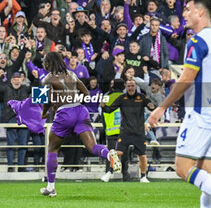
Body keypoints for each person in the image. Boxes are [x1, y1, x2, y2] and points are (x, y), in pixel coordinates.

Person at [148, 0, 211, 208]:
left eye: (188, 9)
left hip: (200, 110)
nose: (184, 14)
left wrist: (161, 107)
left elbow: (187, 78)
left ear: (201, 12)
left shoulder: (197, 41)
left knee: (182, 167)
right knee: (207, 171)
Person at [40, 52, 121, 197]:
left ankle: (51, 187)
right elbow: (87, 94)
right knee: (92, 146)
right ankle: (109, 154)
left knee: (52, 148)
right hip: (81, 110)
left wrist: (45, 112)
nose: (43, 64)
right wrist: (73, 101)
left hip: (64, 113)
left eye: (45, 61)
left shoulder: (48, 78)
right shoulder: (72, 74)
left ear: (49, 63)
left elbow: (47, 100)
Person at [102, 79, 155, 183]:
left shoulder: (142, 97)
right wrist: (103, 106)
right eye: (129, 86)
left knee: (142, 155)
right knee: (118, 153)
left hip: (139, 132)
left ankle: (143, 176)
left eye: (132, 86)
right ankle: (109, 172)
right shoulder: (122, 98)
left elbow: (150, 105)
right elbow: (109, 109)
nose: (131, 88)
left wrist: (151, 106)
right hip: (125, 132)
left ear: (135, 87)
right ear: (126, 87)